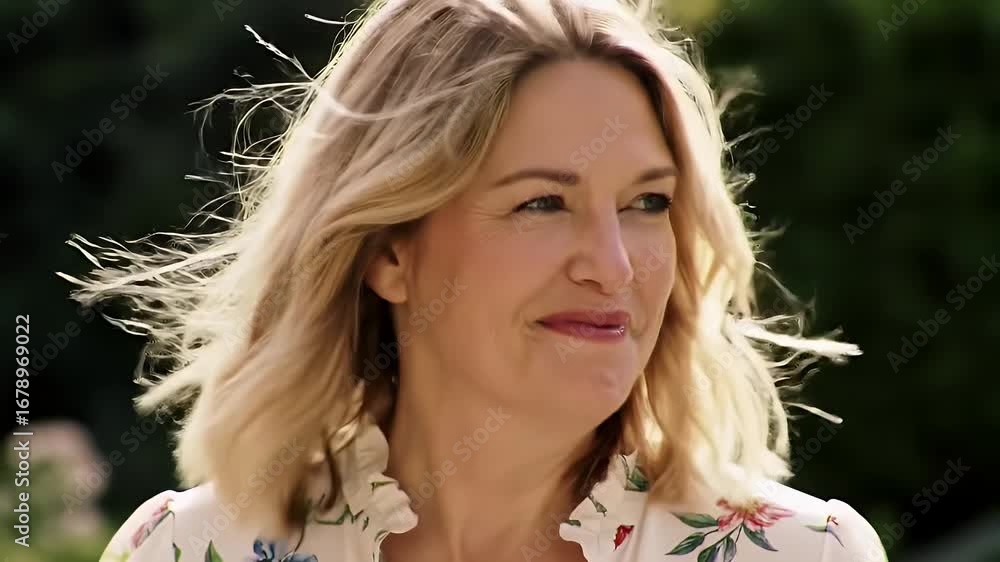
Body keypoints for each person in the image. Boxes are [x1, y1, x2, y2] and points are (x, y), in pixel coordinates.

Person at [65, 0, 887, 561]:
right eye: (542, 203)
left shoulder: (804, 554)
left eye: (647, 203)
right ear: (389, 253)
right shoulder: (186, 550)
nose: (613, 265)